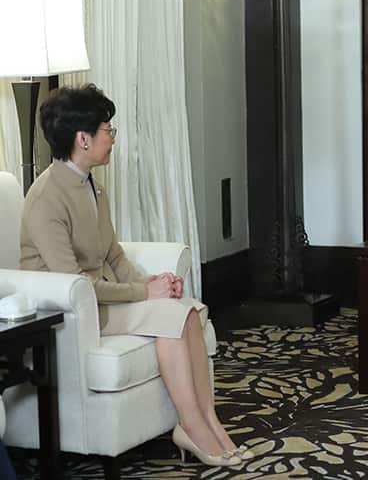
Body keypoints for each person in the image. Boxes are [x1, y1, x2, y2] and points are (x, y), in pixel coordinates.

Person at [19, 84, 252, 468]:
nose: (112, 138)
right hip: (77, 314)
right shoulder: (46, 197)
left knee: (188, 309)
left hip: (102, 301)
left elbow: (112, 254)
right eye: (107, 130)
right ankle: (192, 427)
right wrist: (143, 293)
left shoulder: (92, 187)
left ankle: (209, 423)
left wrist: (153, 282)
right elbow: (73, 284)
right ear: (83, 138)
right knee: (176, 313)